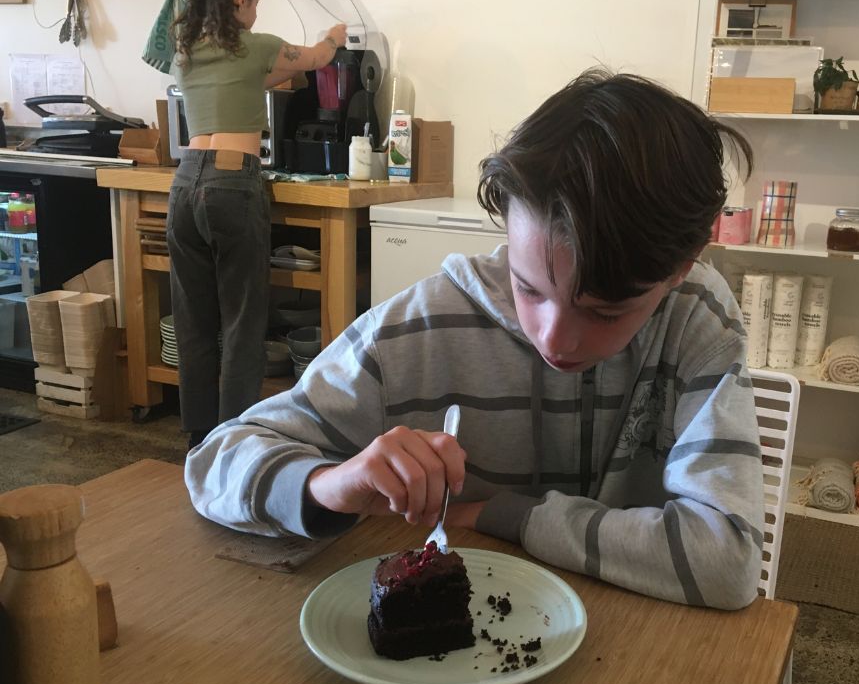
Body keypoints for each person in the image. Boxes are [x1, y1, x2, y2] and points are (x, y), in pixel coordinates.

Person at [186, 69, 765, 610]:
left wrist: (501, 514)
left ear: (684, 264)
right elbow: (214, 461)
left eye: (605, 311)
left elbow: (727, 560)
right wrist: (329, 484)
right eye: (528, 287)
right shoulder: (424, 324)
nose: (553, 337)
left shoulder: (696, 321)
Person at [167, 0, 347, 449]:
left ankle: (199, 438)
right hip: (231, 183)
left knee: (194, 320)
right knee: (243, 320)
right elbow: (317, 58)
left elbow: (250, 82)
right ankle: (236, 441)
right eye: (256, 2)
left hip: (184, 184)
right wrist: (335, 34)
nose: (255, 13)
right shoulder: (257, 45)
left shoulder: (185, 51)